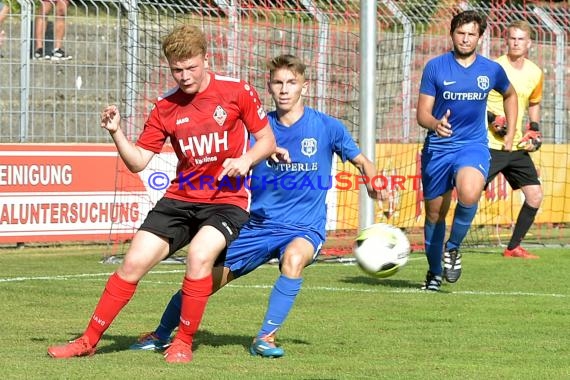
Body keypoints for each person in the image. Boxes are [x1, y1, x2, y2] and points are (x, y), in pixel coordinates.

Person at [46, 24, 277, 363]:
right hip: (180, 199)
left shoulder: (236, 90)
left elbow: (268, 141)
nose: (184, 76)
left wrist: (246, 159)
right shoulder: (165, 106)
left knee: (200, 256)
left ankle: (182, 342)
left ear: (205, 59)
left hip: (227, 201)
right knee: (132, 262)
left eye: (191, 67)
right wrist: (117, 133)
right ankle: (88, 341)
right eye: (177, 69)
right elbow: (139, 162)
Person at [128, 54, 384, 358]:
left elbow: (362, 161)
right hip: (257, 225)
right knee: (203, 280)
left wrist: (376, 185)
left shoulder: (328, 127)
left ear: (305, 86)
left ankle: (266, 337)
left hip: (304, 227)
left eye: (291, 82)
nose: (285, 89)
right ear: (269, 87)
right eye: (278, 83)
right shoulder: (255, 130)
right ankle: (160, 334)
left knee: (293, 259)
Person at [416, 10, 518, 291]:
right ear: (452, 34)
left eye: (471, 34)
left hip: (472, 146)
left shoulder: (490, 70)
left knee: (471, 192)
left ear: (480, 37)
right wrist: (436, 124)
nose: (465, 38)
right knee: (435, 215)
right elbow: (422, 113)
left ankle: (453, 247)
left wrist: (510, 132)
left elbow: (510, 95)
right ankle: (434, 273)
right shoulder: (435, 67)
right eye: (461, 33)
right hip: (438, 148)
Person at [486, 20, 544, 259]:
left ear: (529, 43)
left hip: (516, 145)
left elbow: (534, 102)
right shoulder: (493, 67)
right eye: (512, 38)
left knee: (535, 195)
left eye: (521, 39)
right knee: (468, 193)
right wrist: (492, 118)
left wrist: (534, 128)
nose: (516, 42)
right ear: (505, 41)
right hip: (489, 144)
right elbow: (475, 99)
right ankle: (446, 243)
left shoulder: (535, 72)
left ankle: (512, 248)